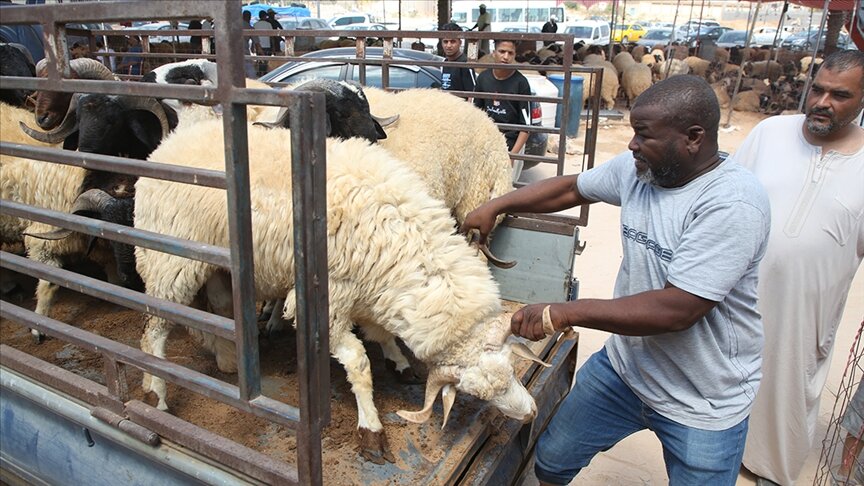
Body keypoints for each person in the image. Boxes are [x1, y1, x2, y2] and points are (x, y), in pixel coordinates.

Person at [462, 75, 771, 485]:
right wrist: (496, 205)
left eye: (644, 135)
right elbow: (572, 189)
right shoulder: (641, 169)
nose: (631, 145)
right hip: (626, 369)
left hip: (703, 398)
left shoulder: (731, 204)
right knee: (552, 460)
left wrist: (562, 311)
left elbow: (677, 309)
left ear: (693, 137)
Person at [734, 49, 864, 486]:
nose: (823, 102)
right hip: (740, 294)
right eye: (819, 89)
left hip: (807, 311)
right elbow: (726, 199)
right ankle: (724, 452)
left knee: (789, 384)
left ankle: (772, 470)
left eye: (840, 95)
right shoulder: (770, 133)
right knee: (727, 377)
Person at [473, 39, 531, 157]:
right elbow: (475, 113)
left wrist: (513, 156)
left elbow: (526, 127)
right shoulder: (483, 78)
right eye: (502, 51)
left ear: (515, 55)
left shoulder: (521, 83)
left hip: (510, 143)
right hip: (486, 140)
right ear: (494, 53)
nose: (505, 57)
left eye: (510, 53)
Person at [439, 22, 476, 93]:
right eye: (445, 42)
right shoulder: (444, 63)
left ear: (460, 43)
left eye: (452, 42)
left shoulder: (465, 64)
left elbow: (472, 94)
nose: (449, 45)